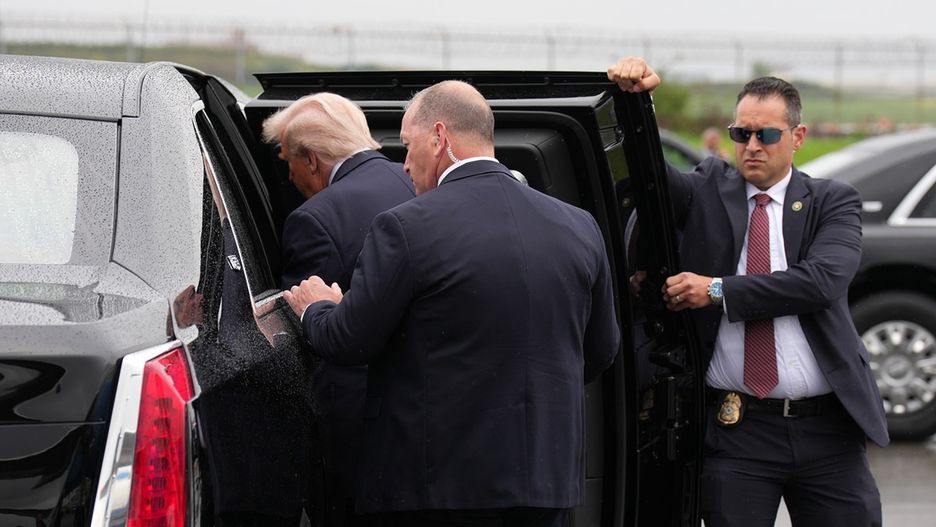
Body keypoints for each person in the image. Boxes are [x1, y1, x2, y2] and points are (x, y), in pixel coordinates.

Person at [283, 80, 620, 527]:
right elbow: (599, 350)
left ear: (439, 137)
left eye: (407, 145)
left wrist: (318, 307)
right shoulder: (579, 226)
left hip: (438, 486)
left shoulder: (405, 227)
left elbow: (349, 341)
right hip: (544, 482)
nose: (404, 164)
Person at [608, 57, 888, 527]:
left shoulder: (831, 201)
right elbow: (649, 176)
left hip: (828, 433)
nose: (752, 146)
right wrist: (637, 103)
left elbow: (821, 283)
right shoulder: (707, 188)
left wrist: (717, 290)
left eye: (767, 134)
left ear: (797, 137)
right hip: (737, 429)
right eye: (741, 134)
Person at [262, 92, 415, 526]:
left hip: (356, 429)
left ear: (311, 159)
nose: (288, 176)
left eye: (287, 161)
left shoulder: (315, 219)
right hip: (426, 418)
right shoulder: (420, 182)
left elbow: (302, 334)